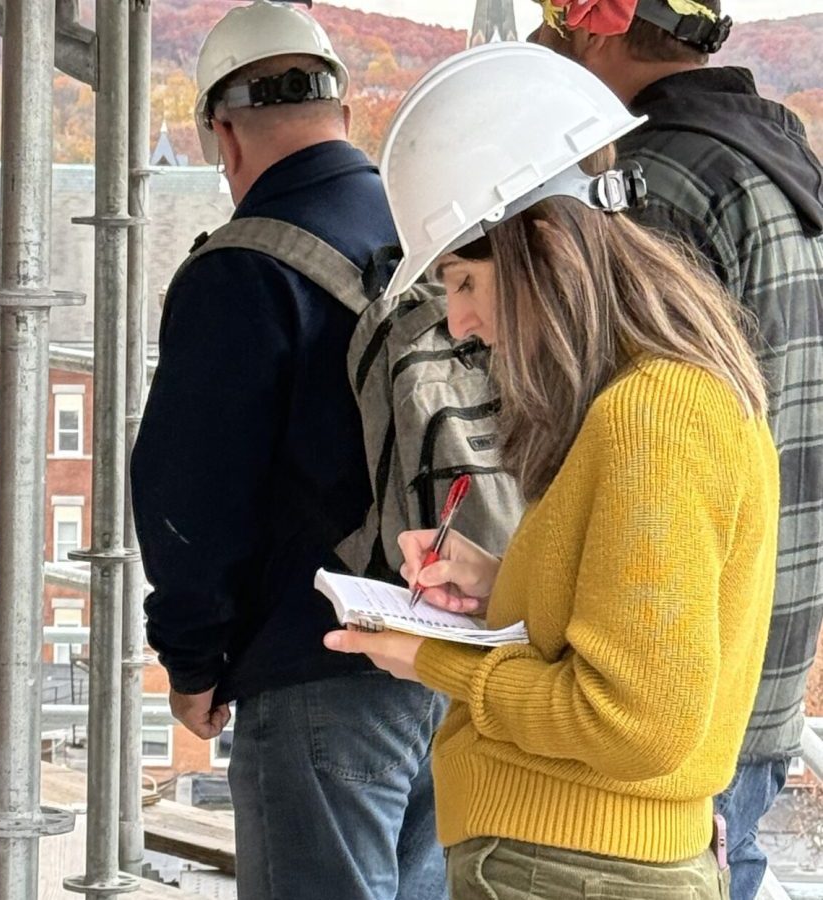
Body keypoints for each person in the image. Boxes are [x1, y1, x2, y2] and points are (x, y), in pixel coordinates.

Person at [326, 42, 780, 899]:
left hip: (566, 869)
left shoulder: (653, 419)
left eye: (462, 281)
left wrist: (432, 660)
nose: (458, 321)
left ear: (540, 249)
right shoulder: (658, 397)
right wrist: (499, 585)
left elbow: (634, 723)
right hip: (574, 864)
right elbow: (640, 631)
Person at [130, 3, 447, 897]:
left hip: (318, 675)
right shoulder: (434, 237)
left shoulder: (245, 269)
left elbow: (188, 502)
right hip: (449, 658)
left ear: (223, 137)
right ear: (344, 115)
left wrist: (192, 663)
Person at [530, 3, 823, 895]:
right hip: (759, 641)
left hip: (672, 663)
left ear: (598, 31)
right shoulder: (778, 167)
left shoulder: (653, 185)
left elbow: (640, 447)